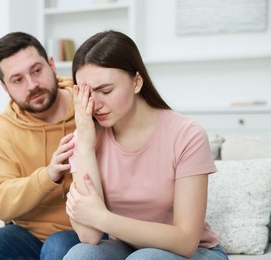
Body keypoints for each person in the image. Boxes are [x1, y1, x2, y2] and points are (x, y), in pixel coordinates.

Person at [64, 30, 229, 259]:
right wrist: (84, 145)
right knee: (80, 255)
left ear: (137, 82)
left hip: (193, 252)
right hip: (127, 248)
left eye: (106, 91)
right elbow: (89, 235)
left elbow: (186, 241)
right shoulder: (85, 137)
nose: (96, 104)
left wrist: (102, 218)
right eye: (87, 94)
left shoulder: (186, 135)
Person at [0, 32, 79, 260]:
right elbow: (2, 203)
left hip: (85, 231)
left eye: (36, 70)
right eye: (17, 80)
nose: (32, 85)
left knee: (58, 247)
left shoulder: (88, 103)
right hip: (28, 235)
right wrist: (48, 176)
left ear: (52, 65)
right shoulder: (0, 129)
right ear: (5, 87)